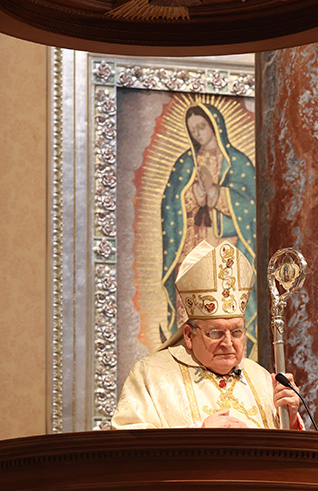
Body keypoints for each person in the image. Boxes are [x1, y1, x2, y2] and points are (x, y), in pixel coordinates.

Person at [112, 241, 303, 430]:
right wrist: (198, 433)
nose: (228, 343)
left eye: (236, 332)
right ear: (188, 335)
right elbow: (127, 439)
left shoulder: (262, 378)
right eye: (215, 333)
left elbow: (283, 454)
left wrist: (291, 420)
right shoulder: (150, 375)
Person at [161, 103, 257, 356]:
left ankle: (230, 353)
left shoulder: (238, 163)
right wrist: (192, 194)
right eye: (193, 130)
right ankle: (188, 354)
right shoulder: (185, 164)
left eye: (202, 126)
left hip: (223, 244)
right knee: (190, 305)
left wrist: (216, 194)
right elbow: (170, 204)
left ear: (216, 126)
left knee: (226, 307)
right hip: (192, 243)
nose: (198, 134)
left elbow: (249, 205)